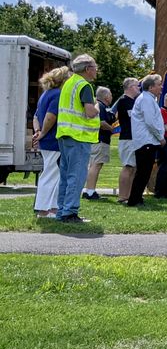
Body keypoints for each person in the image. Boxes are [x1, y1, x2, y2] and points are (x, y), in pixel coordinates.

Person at [55, 54, 100, 223]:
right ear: (88, 69)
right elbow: (89, 112)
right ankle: (70, 212)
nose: (96, 71)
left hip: (65, 135)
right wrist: (97, 107)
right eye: (95, 67)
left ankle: (62, 211)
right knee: (77, 175)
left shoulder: (69, 83)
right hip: (79, 136)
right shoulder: (85, 86)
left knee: (66, 176)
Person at [31, 66, 70, 218]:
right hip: (53, 140)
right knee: (51, 174)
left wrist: (37, 132)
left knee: (54, 174)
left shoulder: (45, 94)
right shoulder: (59, 94)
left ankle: (52, 208)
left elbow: (36, 117)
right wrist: (44, 133)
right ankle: (43, 209)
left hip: (46, 141)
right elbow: (50, 116)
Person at [126, 74, 166, 206]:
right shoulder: (146, 100)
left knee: (145, 171)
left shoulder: (148, 99)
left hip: (147, 141)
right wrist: (160, 137)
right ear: (150, 87)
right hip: (146, 141)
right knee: (143, 172)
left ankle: (137, 198)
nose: (162, 87)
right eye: (159, 84)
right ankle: (134, 199)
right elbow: (150, 121)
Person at [82, 86, 114, 201]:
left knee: (95, 164)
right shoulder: (100, 106)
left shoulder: (103, 106)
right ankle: (89, 191)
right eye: (110, 95)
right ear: (105, 96)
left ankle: (90, 190)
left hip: (98, 139)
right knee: (96, 164)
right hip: (99, 139)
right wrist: (112, 129)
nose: (111, 97)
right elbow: (101, 122)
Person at [115, 77, 140, 203]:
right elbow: (134, 118)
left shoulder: (132, 101)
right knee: (128, 166)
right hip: (127, 137)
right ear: (130, 87)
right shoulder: (124, 101)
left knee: (133, 167)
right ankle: (122, 196)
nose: (139, 88)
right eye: (137, 85)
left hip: (133, 138)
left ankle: (129, 195)